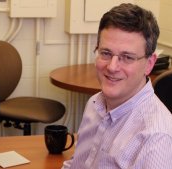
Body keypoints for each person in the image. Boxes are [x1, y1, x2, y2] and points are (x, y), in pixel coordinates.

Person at [62, 3, 172, 169]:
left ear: (149, 64)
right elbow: (78, 164)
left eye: (127, 57)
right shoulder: (95, 103)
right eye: (106, 53)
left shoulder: (156, 137)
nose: (112, 67)